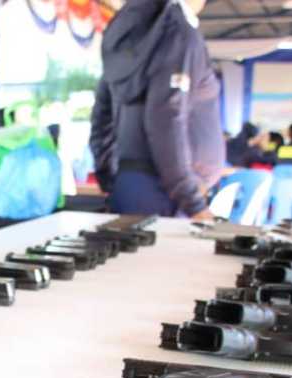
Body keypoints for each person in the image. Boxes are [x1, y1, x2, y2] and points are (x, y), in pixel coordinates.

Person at [94, 0, 223, 221]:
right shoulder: (178, 34)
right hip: (166, 193)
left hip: (132, 183)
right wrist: (193, 202)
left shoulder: (129, 34)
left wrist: (108, 175)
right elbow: (167, 117)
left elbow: (102, 114)